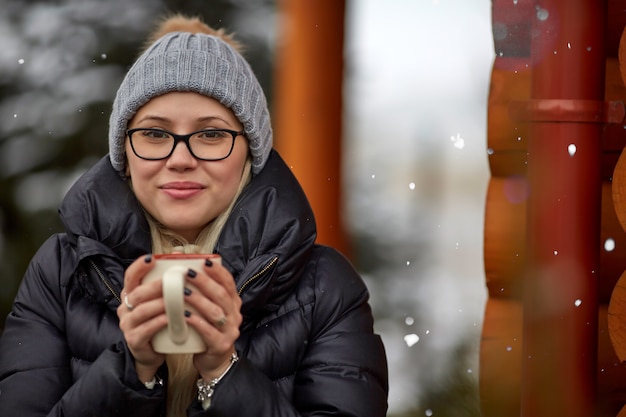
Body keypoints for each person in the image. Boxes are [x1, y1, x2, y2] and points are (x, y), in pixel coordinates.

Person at [0, 14, 388, 417]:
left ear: (250, 155)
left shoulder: (324, 286)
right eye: (154, 133)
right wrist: (132, 368)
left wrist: (223, 370)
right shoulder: (61, 271)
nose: (180, 158)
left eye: (211, 134)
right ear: (124, 155)